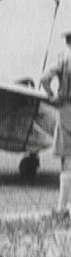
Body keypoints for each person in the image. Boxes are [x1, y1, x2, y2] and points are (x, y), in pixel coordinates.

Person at [41, 31, 71, 215]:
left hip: (67, 109)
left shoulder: (63, 60)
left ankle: (61, 207)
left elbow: (45, 79)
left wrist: (52, 96)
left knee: (67, 159)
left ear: (67, 41)